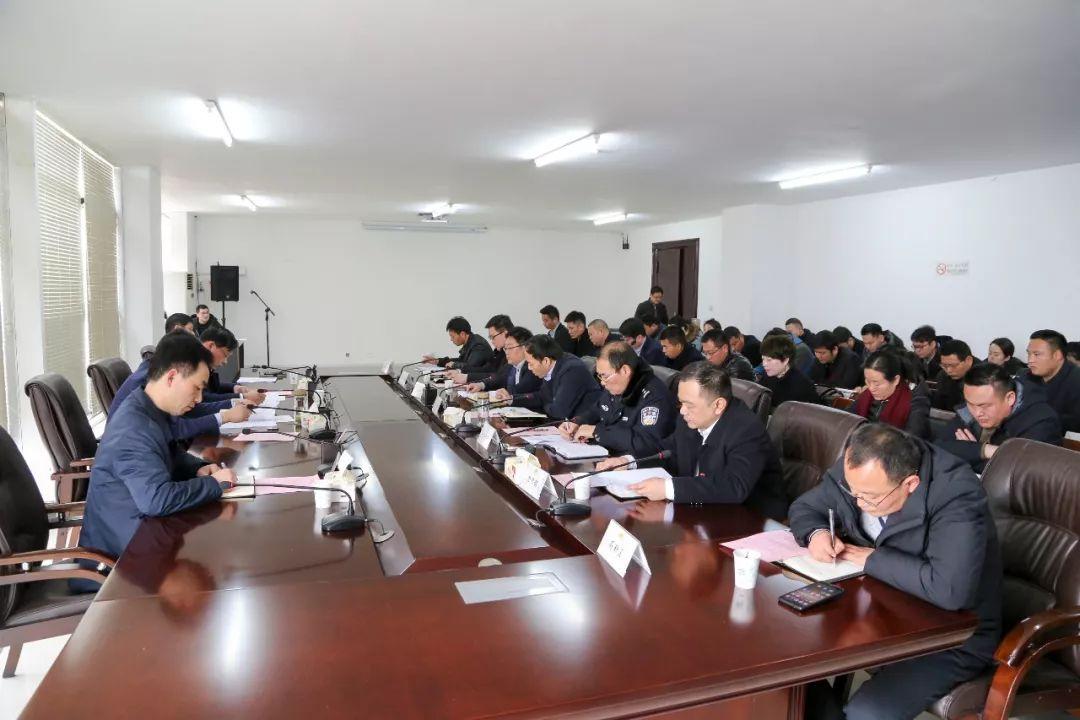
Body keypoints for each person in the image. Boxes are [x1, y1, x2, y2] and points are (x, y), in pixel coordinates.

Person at [790, 423, 1001, 720]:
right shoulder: (860, 469)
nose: (858, 502)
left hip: (951, 637)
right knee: (788, 666)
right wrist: (817, 533)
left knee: (866, 713)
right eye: (853, 492)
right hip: (881, 614)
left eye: (870, 498)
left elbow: (950, 590)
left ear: (910, 484)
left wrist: (873, 560)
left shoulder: (956, 494)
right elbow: (805, 507)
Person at [75, 332, 239, 589]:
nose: (199, 399)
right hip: (117, 566)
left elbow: (169, 454)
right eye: (196, 388)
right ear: (171, 377)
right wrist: (214, 485)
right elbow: (156, 500)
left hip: (143, 542)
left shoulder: (147, 407)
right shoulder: (133, 427)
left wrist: (199, 468)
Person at [594, 363, 785, 519]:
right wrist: (628, 462)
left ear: (718, 405)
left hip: (749, 521)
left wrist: (668, 488)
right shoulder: (691, 417)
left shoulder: (746, 430)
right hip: (700, 511)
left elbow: (734, 486)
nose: (682, 411)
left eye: (689, 405)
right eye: (681, 403)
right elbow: (668, 449)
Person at [109, 315, 255, 439]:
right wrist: (226, 414)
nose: (195, 338)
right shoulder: (150, 381)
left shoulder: (156, 370)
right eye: (191, 332)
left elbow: (177, 430)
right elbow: (176, 429)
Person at [936, 363, 1062, 473]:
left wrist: (968, 452)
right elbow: (937, 448)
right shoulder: (974, 405)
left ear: (1010, 398)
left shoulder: (1041, 421)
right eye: (970, 404)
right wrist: (985, 450)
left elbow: (1019, 473)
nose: (977, 413)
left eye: (985, 406)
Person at [558, 341, 676, 456]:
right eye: (599, 376)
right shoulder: (617, 384)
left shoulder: (654, 396)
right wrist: (577, 423)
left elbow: (646, 443)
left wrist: (598, 432)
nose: (602, 382)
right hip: (605, 452)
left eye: (604, 376)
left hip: (632, 462)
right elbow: (597, 410)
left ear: (625, 371)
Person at [513, 334, 602, 420]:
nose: (529, 368)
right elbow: (542, 396)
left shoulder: (571, 370)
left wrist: (545, 404)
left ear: (546, 361)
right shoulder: (554, 365)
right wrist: (511, 399)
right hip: (567, 423)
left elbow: (559, 412)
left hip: (586, 424)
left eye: (531, 364)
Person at [851, 350, 930, 439]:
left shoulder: (916, 402)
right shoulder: (866, 396)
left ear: (896, 380)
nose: (871, 388)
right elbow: (847, 420)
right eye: (868, 382)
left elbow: (912, 439)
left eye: (877, 384)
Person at [1021, 329, 1080, 432]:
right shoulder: (1026, 376)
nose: (1030, 360)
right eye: (1029, 354)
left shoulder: (1076, 380)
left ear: (1057, 355)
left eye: (1037, 354)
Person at [468, 327, 542, 397]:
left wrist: (506, 395)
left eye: (510, 347)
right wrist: (480, 385)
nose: (507, 352)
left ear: (524, 348)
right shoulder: (510, 366)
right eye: (505, 348)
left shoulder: (532, 367)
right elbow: (498, 379)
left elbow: (522, 390)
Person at [199, 326, 262, 403]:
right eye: (225, 355)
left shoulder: (204, 363)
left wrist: (234, 388)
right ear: (211, 346)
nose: (225, 362)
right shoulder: (192, 364)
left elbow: (212, 387)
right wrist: (242, 397)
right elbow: (204, 398)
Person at [759, 334, 822, 409]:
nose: (764, 364)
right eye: (763, 359)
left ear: (785, 360)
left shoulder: (801, 385)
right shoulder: (767, 377)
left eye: (769, 360)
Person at [423, 316, 496, 373]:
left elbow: (470, 367)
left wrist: (454, 365)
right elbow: (461, 360)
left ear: (462, 334)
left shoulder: (478, 345)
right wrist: (438, 361)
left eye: (452, 336)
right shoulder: (470, 342)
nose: (451, 339)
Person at [459, 314, 513, 383]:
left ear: (505, 333)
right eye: (490, 338)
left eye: (493, 337)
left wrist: (468, 377)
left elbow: (500, 376)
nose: (492, 342)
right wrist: (461, 371)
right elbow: (488, 369)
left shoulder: (516, 353)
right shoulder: (501, 352)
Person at [929, 339, 977, 411]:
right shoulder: (942, 376)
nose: (949, 370)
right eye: (944, 366)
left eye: (954, 365)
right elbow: (939, 405)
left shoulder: (983, 379)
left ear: (968, 360)